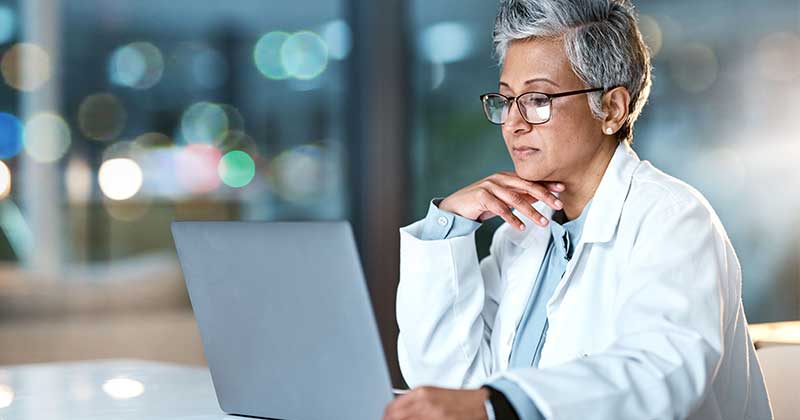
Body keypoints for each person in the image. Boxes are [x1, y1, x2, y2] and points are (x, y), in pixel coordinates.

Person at [383, 0, 773, 419]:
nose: (514, 123)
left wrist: (499, 403)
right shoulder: (522, 233)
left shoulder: (673, 219)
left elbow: (657, 376)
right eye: (506, 99)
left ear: (612, 108)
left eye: (536, 99)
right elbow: (447, 385)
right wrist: (451, 223)